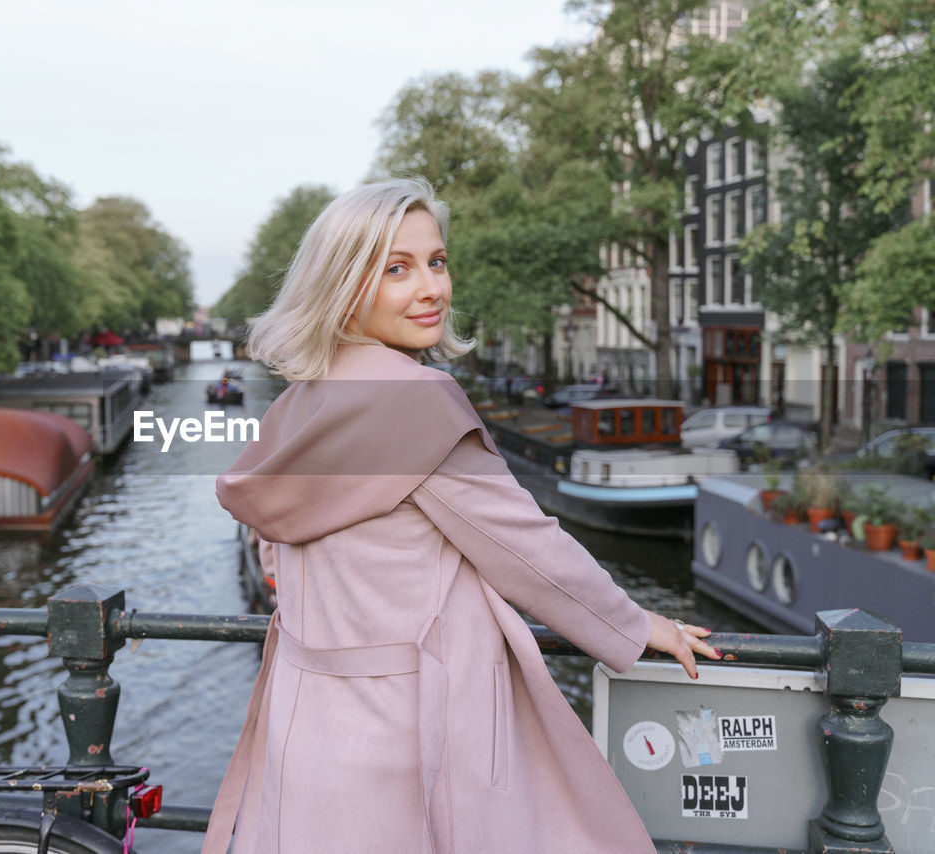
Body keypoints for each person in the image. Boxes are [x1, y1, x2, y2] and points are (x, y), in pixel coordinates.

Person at [205, 177, 720, 853]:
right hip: (409, 735)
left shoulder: (299, 405)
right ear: (342, 285)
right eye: (397, 269)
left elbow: (277, 545)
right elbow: (525, 545)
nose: (431, 289)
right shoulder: (418, 402)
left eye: (437, 262)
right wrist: (631, 623)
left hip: (306, 726)